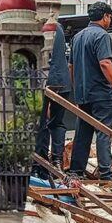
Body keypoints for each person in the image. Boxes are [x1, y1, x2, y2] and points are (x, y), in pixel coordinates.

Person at [67, 1, 112, 181]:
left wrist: (77, 90)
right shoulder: (102, 36)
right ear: (105, 17)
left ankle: (76, 172)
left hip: (83, 94)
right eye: (109, 17)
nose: (110, 20)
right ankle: (106, 174)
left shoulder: (77, 37)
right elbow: (105, 63)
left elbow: (71, 67)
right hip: (100, 94)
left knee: (82, 133)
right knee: (103, 131)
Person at [32, 21, 71, 177]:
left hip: (46, 80)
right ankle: (56, 161)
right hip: (62, 81)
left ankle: (39, 165)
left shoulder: (43, 27)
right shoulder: (60, 28)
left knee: (41, 124)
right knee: (57, 122)